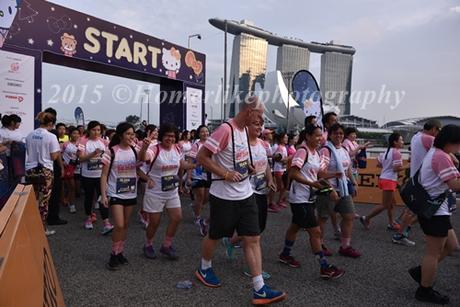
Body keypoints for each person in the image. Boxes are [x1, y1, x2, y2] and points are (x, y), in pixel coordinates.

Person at [194, 96, 286, 305]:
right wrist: (225, 173)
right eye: (260, 115)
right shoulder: (225, 130)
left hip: (245, 194)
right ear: (249, 111)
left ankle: (259, 288)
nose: (261, 120)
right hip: (224, 196)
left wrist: (249, 168)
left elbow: (240, 157)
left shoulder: (245, 130)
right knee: (215, 236)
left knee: (253, 238)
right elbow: (202, 157)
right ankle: (204, 267)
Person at [279, 124, 345, 279]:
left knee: (295, 227)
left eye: (321, 136)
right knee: (315, 232)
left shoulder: (315, 153)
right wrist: (312, 184)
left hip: (309, 198)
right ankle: (324, 267)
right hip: (299, 198)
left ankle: (285, 254)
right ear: (307, 136)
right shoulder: (302, 151)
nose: (319, 139)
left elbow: (317, 173)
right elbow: (293, 174)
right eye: (316, 135)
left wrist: (334, 174)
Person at [407, 125, 460, 304]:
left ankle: (422, 272)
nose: (459, 148)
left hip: (437, 209)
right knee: (433, 252)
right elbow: (454, 185)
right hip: (435, 211)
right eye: (458, 144)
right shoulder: (441, 157)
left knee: (451, 246)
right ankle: (425, 290)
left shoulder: (435, 152)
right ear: (451, 142)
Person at [222, 116, 276, 280]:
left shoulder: (263, 144)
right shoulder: (241, 144)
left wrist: (270, 179)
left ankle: (231, 241)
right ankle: (253, 269)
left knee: (260, 227)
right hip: (246, 191)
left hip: (261, 190)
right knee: (253, 234)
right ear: (246, 127)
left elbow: (266, 164)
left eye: (261, 125)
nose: (259, 127)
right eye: (255, 124)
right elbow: (233, 164)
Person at [139, 123, 193, 260]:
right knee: (155, 222)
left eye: (173, 136)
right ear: (162, 136)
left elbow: (183, 165)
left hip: (172, 191)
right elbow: (143, 158)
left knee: (177, 218)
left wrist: (199, 163)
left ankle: (166, 245)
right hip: (155, 192)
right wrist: (144, 146)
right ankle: (148, 244)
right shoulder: (154, 149)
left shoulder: (177, 149)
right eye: (167, 135)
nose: (170, 138)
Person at [101, 122, 146, 270]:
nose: (131, 137)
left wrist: (148, 179)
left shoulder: (135, 150)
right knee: (119, 224)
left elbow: (141, 163)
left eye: (133, 134)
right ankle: (113, 254)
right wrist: (104, 195)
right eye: (128, 134)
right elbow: (104, 175)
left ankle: (120, 252)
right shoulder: (111, 152)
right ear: (120, 135)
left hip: (131, 192)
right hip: (115, 192)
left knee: (126, 225)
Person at [392, 120, 442, 246]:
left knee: (421, 210)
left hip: (417, 178)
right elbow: (444, 151)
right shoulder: (429, 139)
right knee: (418, 210)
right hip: (424, 180)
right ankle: (400, 234)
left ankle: (404, 231)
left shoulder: (416, 137)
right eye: (438, 131)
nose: (438, 134)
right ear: (434, 129)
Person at [317, 123, 361, 258]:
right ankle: (320, 245)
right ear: (330, 135)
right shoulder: (326, 150)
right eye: (336, 133)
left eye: (341, 133)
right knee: (323, 218)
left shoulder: (344, 150)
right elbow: (320, 173)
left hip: (343, 189)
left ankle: (345, 246)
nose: (339, 136)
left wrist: (353, 182)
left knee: (349, 216)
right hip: (327, 189)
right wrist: (330, 189)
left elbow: (347, 169)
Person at [25, 112, 62, 236]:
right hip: (45, 171)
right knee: (43, 201)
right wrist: (58, 150)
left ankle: (29, 227)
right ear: (51, 123)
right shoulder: (51, 136)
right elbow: (53, 156)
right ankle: (41, 230)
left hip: (30, 170)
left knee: (32, 199)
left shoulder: (30, 135)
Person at [360, 133, 406, 231]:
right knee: (385, 205)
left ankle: (391, 223)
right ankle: (366, 218)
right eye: (401, 140)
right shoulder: (397, 153)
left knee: (392, 203)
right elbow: (396, 168)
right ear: (395, 142)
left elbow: (379, 165)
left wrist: (387, 167)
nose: (402, 142)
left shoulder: (386, 152)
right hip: (389, 180)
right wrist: (409, 165)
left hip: (384, 178)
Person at [78, 121, 113, 234]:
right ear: (89, 130)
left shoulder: (105, 142)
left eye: (98, 130)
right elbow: (81, 158)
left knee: (103, 197)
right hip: (87, 175)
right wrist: (93, 154)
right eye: (94, 130)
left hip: (101, 176)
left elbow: (111, 155)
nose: (96, 132)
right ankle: (88, 217)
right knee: (88, 197)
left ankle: (106, 222)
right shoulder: (83, 141)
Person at [43, 107, 67, 226]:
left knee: (43, 194)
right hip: (52, 166)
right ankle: (53, 217)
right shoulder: (53, 133)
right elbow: (56, 153)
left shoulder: (35, 132)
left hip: (40, 167)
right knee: (54, 193)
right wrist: (61, 167)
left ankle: (42, 217)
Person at [187, 125, 211, 236]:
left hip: (209, 175)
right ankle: (197, 217)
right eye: (202, 132)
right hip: (197, 174)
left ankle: (195, 206)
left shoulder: (212, 144)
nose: (205, 133)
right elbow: (191, 161)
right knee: (200, 196)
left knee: (206, 198)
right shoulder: (196, 145)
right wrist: (189, 177)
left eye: (206, 131)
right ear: (199, 133)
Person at [137, 124, 158, 228]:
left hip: (156, 172)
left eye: (157, 131)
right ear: (148, 131)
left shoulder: (159, 143)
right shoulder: (142, 142)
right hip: (144, 171)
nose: (156, 133)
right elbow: (140, 157)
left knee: (152, 197)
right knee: (147, 196)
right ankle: (145, 215)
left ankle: (144, 212)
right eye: (154, 131)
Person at [62, 127, 80, 213]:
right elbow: (59, 154)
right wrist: (62, 162)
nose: (76, 135)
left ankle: (68, 200)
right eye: (74, 133)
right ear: (70, 134)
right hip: (68, 167)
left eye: (77, 133)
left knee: (74, 187)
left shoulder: (81, 144)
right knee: (71, 186)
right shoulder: (65, 144)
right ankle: (71, 205)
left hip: (78, 168)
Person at [271, 132, 289, 212]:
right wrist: (289, 158)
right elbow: (278, 159)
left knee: (283, 186)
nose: (287, 139)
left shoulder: (284, 147)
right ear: (281, 139)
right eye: (285, 137)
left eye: (287, 137)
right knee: (279, 186)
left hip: (283, 169)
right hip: (278, 169)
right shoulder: (279, 147)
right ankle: (271, 202)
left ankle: (279, 201)